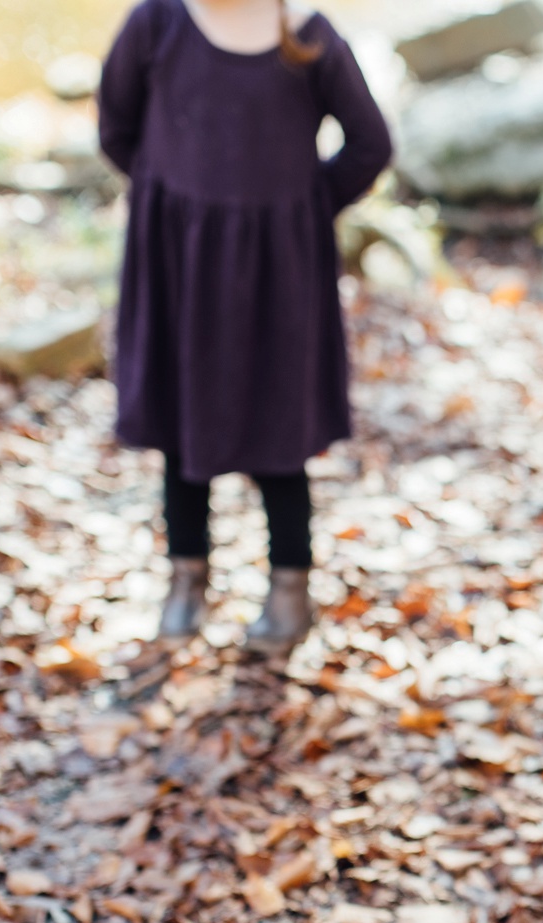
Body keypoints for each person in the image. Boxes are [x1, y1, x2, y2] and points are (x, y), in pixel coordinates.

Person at [98, 0, 392, 652]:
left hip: (276, 274)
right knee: (183, 424)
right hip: (181, 262)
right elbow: (117, 127)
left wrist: (303, 207)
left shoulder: (307, 34)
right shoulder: (157, 24)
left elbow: (370, 142)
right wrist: (168, 198)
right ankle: (186, 579)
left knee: (278, 430)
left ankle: (290, 590)